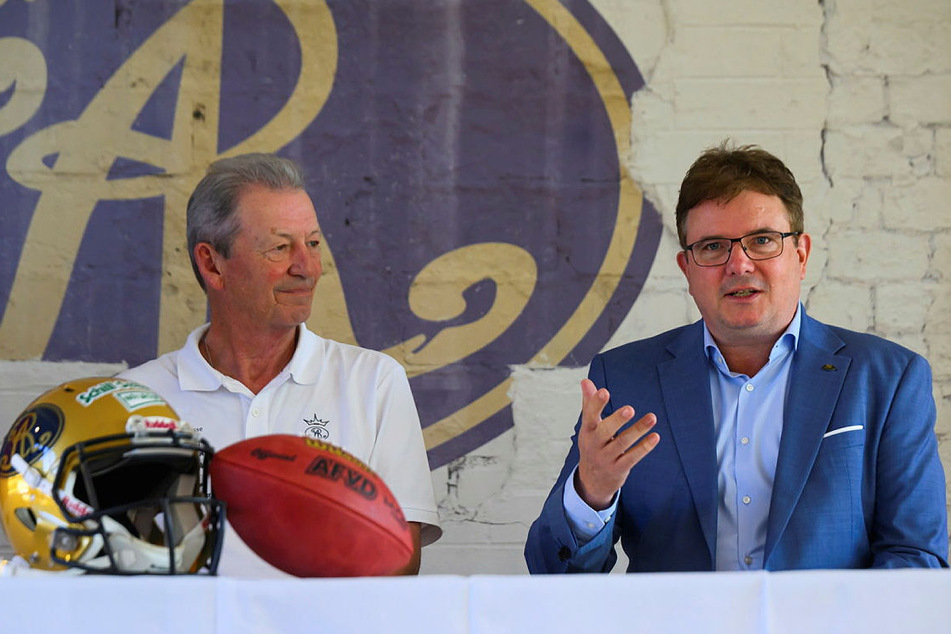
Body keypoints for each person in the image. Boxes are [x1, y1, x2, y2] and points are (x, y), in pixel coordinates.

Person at [524, 142, 948, 573]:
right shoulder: (625, 379)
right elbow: (551, 572)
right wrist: (591, 492)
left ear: (800, 255)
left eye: (762, 240)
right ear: (687, 269)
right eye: (711, 247)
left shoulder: (889, 379)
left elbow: (918, 557)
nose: (739, 264)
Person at [120, 152, 440, 576]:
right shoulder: (133, 399)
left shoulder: (374, 382)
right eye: (279, 247)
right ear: (212, 263)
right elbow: (113, 569)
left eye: (311, 243)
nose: (307, 268)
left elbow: (400, 562)